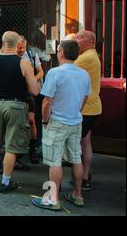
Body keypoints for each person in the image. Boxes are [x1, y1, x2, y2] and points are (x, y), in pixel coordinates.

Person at [32, 40, 91, 210]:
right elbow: (85, 97)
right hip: (76, 121)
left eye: (58, 50)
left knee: (55, 161)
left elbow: (47, 101)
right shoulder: (84, 74)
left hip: (57, 122)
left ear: (62, 53)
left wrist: (44, 120)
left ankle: (52, 198)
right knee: (75, 158)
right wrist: (76, 111)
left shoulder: (55, 73)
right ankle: (77, 195)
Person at [0, 31, 39, 193]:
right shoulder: (23, 63)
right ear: (17, 43)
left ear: (3, 42)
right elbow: (34, 90)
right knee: (11, 146)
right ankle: (6, 182)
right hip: (15, 105)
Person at [75, 30, 102, 191]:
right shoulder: (91, 55)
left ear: (90, 42)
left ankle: (82, 178)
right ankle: (85, 175)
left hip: (86, 109)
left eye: (79, 38)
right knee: (85, 141)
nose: (76, 40)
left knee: (76, 144)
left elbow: (66, 66)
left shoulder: (86, 58)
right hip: (92, 107)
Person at [17, 36, 44, 165]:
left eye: (23, 47)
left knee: (32, 121)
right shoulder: (11, 56)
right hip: (16, 91)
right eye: (19, 47)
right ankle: (17, 151)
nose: (22, 50)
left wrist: (32, 79)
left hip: (29, 93)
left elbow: (41, 71)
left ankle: (32, 150)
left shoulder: (32, 54)